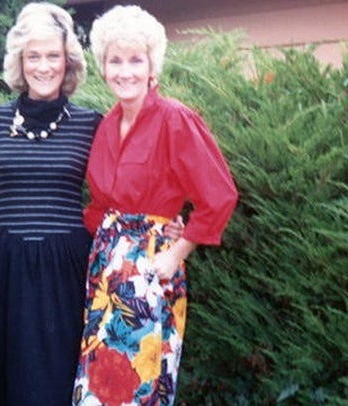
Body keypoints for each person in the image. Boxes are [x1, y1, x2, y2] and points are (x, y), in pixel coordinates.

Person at [0, 3, 183, 405]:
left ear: (68, 60)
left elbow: (125, 185)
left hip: (66, 268)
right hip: (6, 268)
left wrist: (166, 224)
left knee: (59, 378)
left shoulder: (92, 123)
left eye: (53, 55)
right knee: (4, 379)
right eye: (33, 56)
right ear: (20, 60)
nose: (43, 66)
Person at [72, 5, 239, 406]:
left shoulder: (175, 120)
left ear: (152, 66)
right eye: (115, 60)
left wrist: (177, 252)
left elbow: (219, 196)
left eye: (135, 60)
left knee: (136, 384)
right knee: (98, 384)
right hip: (106, 272)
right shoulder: (107, 124)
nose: (125, 71)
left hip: (150, 270)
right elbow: (100, 206)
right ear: (103, 66)